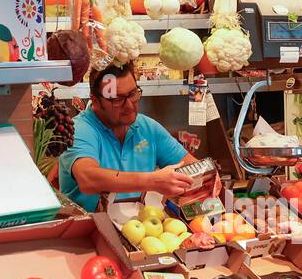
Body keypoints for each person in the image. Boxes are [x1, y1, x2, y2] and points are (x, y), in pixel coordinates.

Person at [59, 62, 217, 211]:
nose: (129, 106)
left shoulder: (147, 127)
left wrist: (208, 178)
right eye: (117, 99)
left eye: (133, 94)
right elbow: (88, 179)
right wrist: (154, 181)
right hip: (92, 233)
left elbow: (191, 165)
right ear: (96, 101)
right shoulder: (80, 129)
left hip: (142, 230)